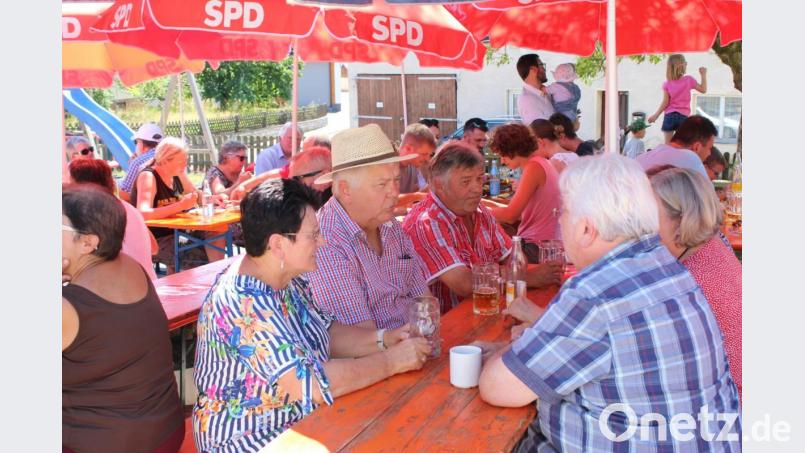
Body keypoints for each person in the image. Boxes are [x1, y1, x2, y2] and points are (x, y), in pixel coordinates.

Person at [477, 154, 741, 452]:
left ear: (586, 229)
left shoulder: (594, 292)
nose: (559, 222)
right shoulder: (670, 269)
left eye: (561, 213)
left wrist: (506, 354)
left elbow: (497, 387)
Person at [192, 178, 430, 451]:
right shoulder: (244, 303)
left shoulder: (285, 279)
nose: (323, 240)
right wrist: (391, 362)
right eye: (314, 235)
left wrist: (385, 339)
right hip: (251, 439)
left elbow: (327, 331)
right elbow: (312, 383)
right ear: (278, 245)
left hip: (301, 426)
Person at [62, 185, 184, 453]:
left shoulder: (67, 306)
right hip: (165, 431)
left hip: (102, 442)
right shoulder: (131, 266)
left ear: (88, 243)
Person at [402, 142, 562, 312]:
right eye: (466, 182)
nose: (477, 189)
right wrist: (525, 278)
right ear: (439, 185)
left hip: (486, 312)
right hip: (447, 327)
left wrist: (520, 274)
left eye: (479, 179)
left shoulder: (479, 212)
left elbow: (514, 258)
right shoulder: (426, 221)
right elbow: (464, 283)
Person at [306, 124, 430, 329]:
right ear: (346, 190)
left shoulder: (390, 226)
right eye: (382, 184)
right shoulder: (325, 241)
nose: (394, 192)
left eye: (396, 180)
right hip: (383, 356)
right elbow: (361, 338)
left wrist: (427, 334)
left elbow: (424, 302)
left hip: (417, 344)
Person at [649, 166, 742, 399]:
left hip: (730, 407)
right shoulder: (711, 247)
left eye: (650, 214)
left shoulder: (688, 277)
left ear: (680, 217)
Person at [132, 137, 219, 274]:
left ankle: (216, 273)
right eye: (181, 161)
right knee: (197, 256)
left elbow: (196, 196)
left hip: (178, 231)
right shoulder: (148, 176)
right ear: (166, 160)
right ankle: (209, 277)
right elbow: (142, 214)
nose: (185, 165)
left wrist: (214, 199)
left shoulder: (176, 175)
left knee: (216, 232)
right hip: (155, 238)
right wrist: (180, 205)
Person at [68, 159, 158, 280]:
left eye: (69, 183)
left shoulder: (90, 213)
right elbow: (154, 248)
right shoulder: (127, 208)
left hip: (120, 291)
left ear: (81, 185)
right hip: (148, 286)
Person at [484, 124, 562, 263]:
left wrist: (477, 211)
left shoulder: (534, 167)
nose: (502, 161)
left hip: (535, 247)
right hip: (545, 245)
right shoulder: (542, 163)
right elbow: (517, 207)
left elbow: (511, 215)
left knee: (484, 257)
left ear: (513, 150)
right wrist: (482, 203)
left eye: (502, 155)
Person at [648, 54, 708, 143]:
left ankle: (668, 157)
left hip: (669, 116)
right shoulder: (689, 80)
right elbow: (703, 89)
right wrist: (703, 74)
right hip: (683, 117)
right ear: (682, 66)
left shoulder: (667, 84)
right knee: (683, 145)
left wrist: (656, 115)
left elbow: (665, 102)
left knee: (668, 145)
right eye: (685, 63)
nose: (686, 65)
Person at [636, 114, 717, 177]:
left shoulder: (639, 159)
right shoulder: (691, 159)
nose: (710, 153)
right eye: (709, 148)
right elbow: (708, 198)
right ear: (697, 147)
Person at [118, 123, 163, 203]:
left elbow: (124, 194)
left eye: (136, 142)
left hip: (147, 208)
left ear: (142, 144)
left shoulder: (138, 162)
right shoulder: (170, 156)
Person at [516, 53, 556, 124]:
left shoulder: (546, 92)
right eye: (541, 65)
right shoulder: (527, 99)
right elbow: (539, 131)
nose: (544, 69)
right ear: (532, 69)